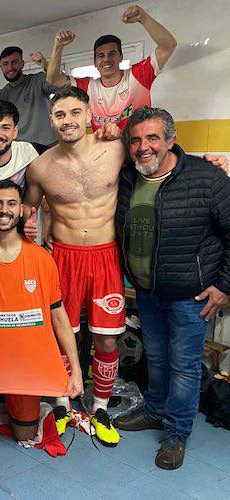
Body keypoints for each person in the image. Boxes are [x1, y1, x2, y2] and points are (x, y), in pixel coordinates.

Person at [113, 107, 230, 469]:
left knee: (185, 366)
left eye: (152, 138)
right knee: (158, 358)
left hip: (190, 296)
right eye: (135, 140)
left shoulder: (207, 178)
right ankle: (155, 410)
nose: (143, 147)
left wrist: (225, 286)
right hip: (147, 291)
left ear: (170, 140)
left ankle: (177, 432)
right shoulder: (129, 177)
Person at [24, 86, 127, 446]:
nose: (68, 121)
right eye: (60, 115)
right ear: (51, 121)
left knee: (106, 338)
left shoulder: (115, 148)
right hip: (62, 258)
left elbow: (155, 158)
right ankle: (63, 404)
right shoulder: (40, 166)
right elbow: (27, 213)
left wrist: (215, 162)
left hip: (105, 254)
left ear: (88, 115)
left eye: (74, 113)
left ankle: (100, 407)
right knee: (60, 336)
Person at [0, 180, 83, 441]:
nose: (4, 210)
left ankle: (31, 404)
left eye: (11, 204)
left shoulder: (41, 258)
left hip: (27, 370)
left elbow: (58, 316)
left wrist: (77, 370)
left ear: (22, 210)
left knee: (25, 435)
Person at [46, 5, 177, 130]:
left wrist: (144, 18)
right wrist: (58, 46)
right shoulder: (87, 87)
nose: (106, 59)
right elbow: (53, 79)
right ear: (95, 62)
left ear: (121, 56)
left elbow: (168, 46)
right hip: (104, 151)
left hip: (137, 150)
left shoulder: (138, 75)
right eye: (101, 55)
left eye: (112, 54)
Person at [0, 45, 59, 149]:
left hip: (51, 146)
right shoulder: (2, 95)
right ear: (1, 67)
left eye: (14, 62)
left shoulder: (38, 80)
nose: (10, 68)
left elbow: (61, 86)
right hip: (23, 150)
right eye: (5, 64)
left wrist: (46, 64)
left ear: (22, 64)